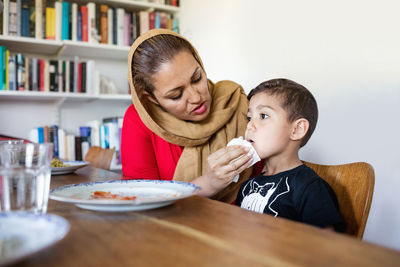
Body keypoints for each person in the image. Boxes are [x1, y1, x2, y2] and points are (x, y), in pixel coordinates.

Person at [121, 29, 255, 202]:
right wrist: (208, 184)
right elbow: (141, 199)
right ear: (151, 98)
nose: (196, 97)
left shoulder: (235, 101)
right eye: (176, 95)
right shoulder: (139, 120)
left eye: (197, 78)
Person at [235, 78, 344, 230]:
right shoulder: (247, 185)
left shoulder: (310, 188)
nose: (250, 126)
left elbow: (327, 244)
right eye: (249, 117)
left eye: (263, 116)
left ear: (297, 129)